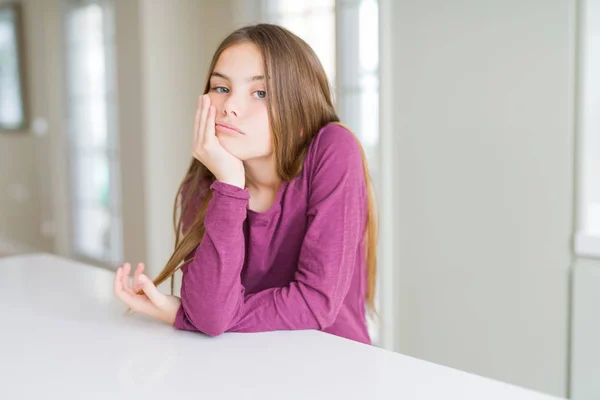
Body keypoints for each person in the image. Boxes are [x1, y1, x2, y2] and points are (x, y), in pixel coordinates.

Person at [113, 24, 378, 345]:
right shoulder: (204, 185)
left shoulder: (333, 148)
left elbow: (315, 302)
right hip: (243, 364)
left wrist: (189, 315)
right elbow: (211, 314)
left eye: (260, 93)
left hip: (333, 363)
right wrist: (229, 185)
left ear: (300, 105)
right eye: (221, 88)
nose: (229, 107)